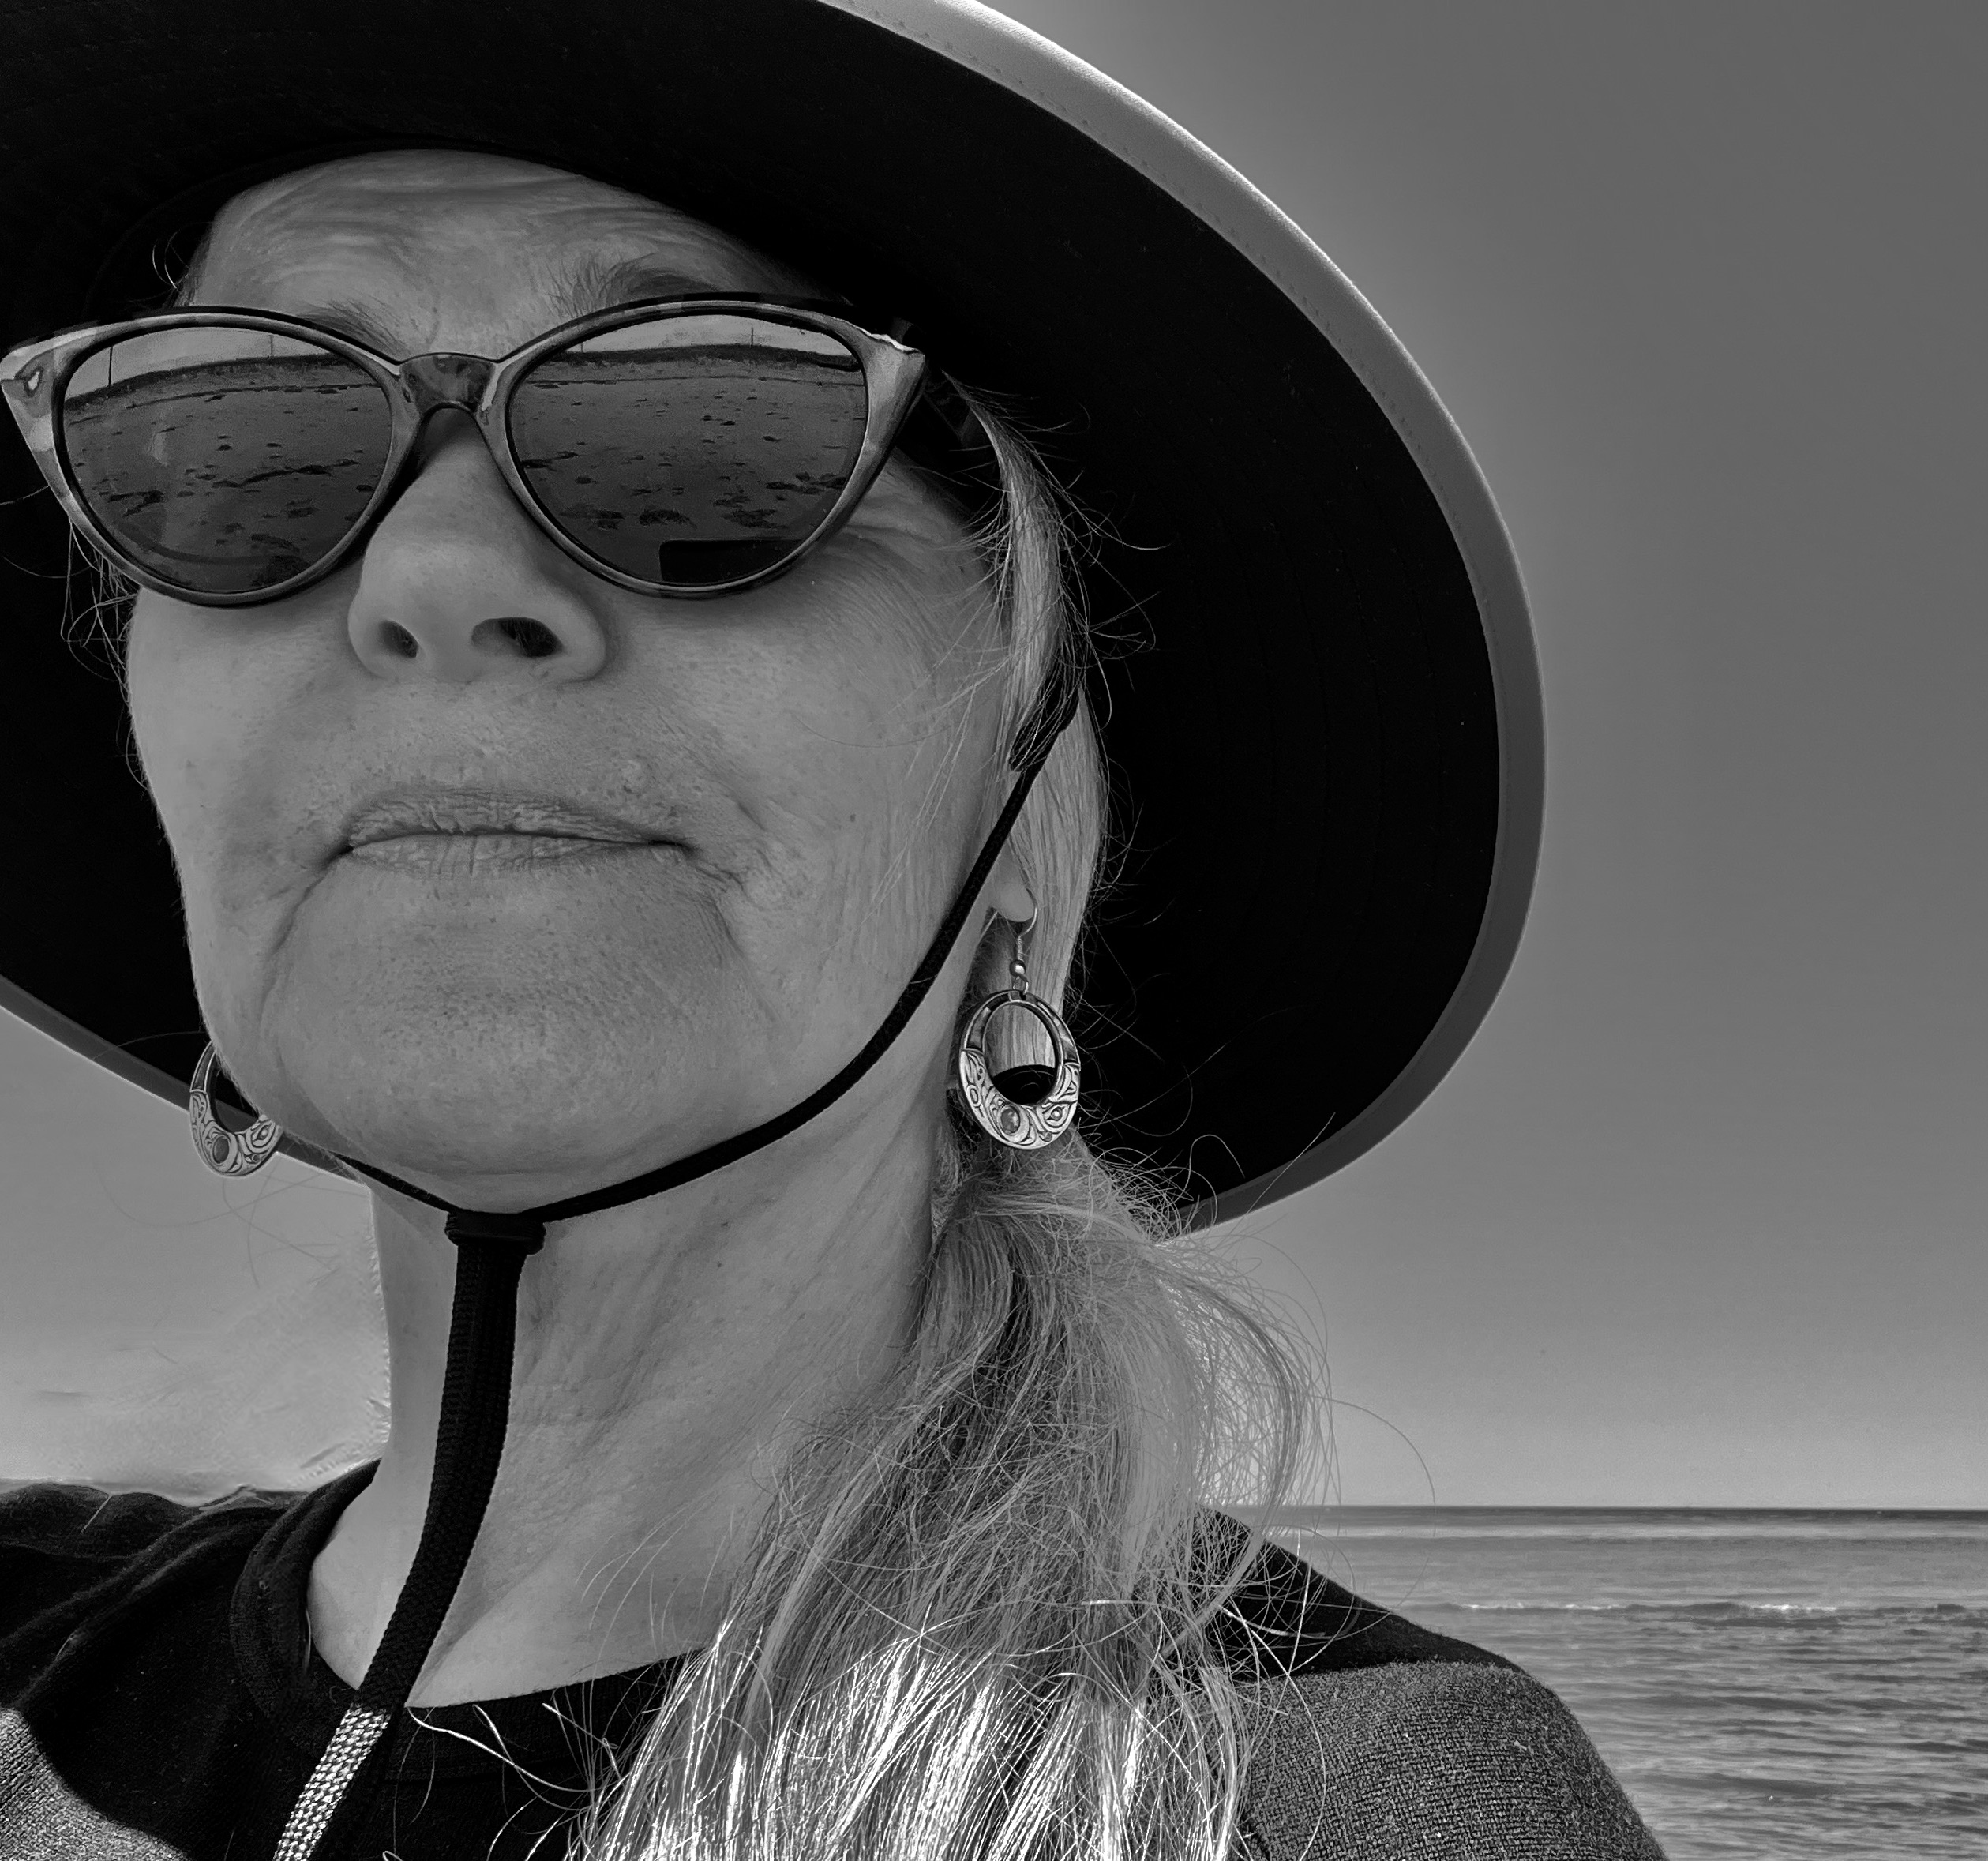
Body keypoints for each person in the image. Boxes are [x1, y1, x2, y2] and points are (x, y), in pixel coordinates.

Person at [0, 3, 1661, 1857]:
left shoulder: (1349, 1806)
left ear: (1028, 814)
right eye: (239, 448)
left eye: (703, 445)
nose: (434, 577)